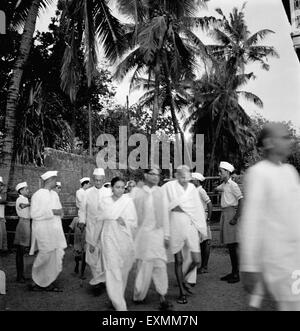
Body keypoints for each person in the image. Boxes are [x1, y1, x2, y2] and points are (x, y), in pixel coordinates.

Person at [240, 123, 300, 311]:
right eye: (284, 137)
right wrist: (249, 266)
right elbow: (251, 220)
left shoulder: (290, 172)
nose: (290, 141)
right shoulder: (258, 173)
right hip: (274, 258)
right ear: (268, 143)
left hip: (294, 256)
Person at [162, 165, 207, 304]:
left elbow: (198, 208)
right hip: (175, 223)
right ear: (176, 175)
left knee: (197, 260)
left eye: (187, 177)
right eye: (181, 176)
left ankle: (184, 279)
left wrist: (201, 228)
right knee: (179, 260)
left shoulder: (192, 188)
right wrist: (166, 233)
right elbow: (163, 206)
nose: (184, 179)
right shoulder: (168, 186)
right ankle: (182, 293)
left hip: (190, 223)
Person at [132, 168, 172, 311]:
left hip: (158, 234)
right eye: (153, 174)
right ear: (146, 175)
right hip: (143, 236)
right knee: (143, 266)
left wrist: (166, 235)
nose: (156, 177)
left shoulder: (161, 192)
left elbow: (166, 215)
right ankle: (138, 295)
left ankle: (163, 297)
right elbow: (132, 215)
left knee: (160, 265)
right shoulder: (138, 192)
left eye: (158, 174)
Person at [99, 177, 137, 311]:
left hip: (124, 238)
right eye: (117, 187)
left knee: (122, 269)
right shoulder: (105, 201)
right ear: (112, 188)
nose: (120, 190)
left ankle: (116, 297)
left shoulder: (128, 202)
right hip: (109, 237)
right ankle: (120, 305)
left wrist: (125, 222)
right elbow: (104, 216)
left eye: (122, 187)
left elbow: (133, 222)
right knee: (112, 268)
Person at [29, 171, 67, 292]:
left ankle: (48, 282)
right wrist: (52, 212)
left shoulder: (55, 195)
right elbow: (34, 214)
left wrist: (60, 212)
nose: (56, 182)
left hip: (55, 230)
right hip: (43, 230)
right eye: (55, 180)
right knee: (44, 254)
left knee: (55, 256)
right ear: (50, 180)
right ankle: (36, 280)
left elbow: (59, 210)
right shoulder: (38, 195)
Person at [78, 168, 110, 288]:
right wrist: (82, 221)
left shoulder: (108, 192)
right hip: (91, 226)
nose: (98, 183)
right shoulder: (87, 193)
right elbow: (82, 209)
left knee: (103, 254)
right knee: (92, 253)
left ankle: (103, 279)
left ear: (103, 180)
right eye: (96, 180)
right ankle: (96, 279)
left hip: (105, 227)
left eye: (100, 181)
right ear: (93, 180)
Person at [216, 162, 243, 284]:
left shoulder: (233, 185)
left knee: (233, 246)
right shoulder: (225, 185)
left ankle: (236, 274)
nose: (219, 174)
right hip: (226, 214)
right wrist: (217, 189)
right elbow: (217, 189)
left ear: (227, 172)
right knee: (230, 246)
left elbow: (241, 201)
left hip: (231, 214)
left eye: (221, 172)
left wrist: (235, 218)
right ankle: (233, 271)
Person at [191, 173, 213, 274]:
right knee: (200, 242)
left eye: (193, 179)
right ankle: (201, 266)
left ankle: (205, 266)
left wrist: (208, 218)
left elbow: (209, 204)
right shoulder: (194, 190)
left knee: (205, 242)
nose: (191, 181)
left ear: (197, 181)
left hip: (203, 217)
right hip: (196, 218)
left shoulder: (201, 190)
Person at [14, 182, 31, 283]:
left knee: (22, 252)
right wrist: (32, 203)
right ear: (21, 191)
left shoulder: (25, 198)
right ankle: (19, 276)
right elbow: (22, 205)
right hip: (23, 223)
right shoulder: (20, 199)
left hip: (26, 223)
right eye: (26, 189)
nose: (28, 190)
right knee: (20, 251)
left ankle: (21, 275)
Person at [0, 177, 8, 254]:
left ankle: (2, 250)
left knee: (2, 234)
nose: (1, 187)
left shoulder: (2, 194)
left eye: (1, 185)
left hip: (1, 217)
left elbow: (4, 201)